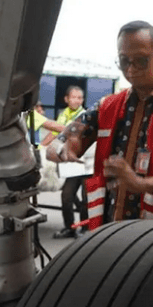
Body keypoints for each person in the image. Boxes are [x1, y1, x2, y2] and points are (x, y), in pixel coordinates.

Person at [46, 20, 153, 227]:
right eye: (123, 61)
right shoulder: (106, 106)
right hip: (108, 231)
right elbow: (57, 144)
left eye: (140, 60)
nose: (131, 69)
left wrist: (142, 184)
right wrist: (64, 150)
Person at [52, 85, 88, 239]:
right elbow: (56, 134)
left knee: (87, 199)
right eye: (74, 97)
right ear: (66, 99)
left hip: (86, 164)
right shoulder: (62, 115)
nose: (77, 100)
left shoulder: (86, 115)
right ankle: (70, 227)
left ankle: (86, 229)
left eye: (80, 98)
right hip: (71, 166)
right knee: (67, 196)